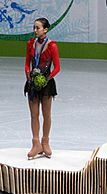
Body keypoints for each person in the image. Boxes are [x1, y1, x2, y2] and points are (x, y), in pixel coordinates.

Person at [24, 17, 60, 160]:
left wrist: (46, 79)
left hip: (47, 84)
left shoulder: (52, 46)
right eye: (34, 27)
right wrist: (28, 75)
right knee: (34, 115)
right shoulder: (30, 44)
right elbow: (27, 63)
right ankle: (36, 144)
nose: (35, 30)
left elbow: (57, 67)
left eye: (37, 28)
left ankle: (45, 142)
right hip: (32, 82)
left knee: (46, 115)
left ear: (45, 29)